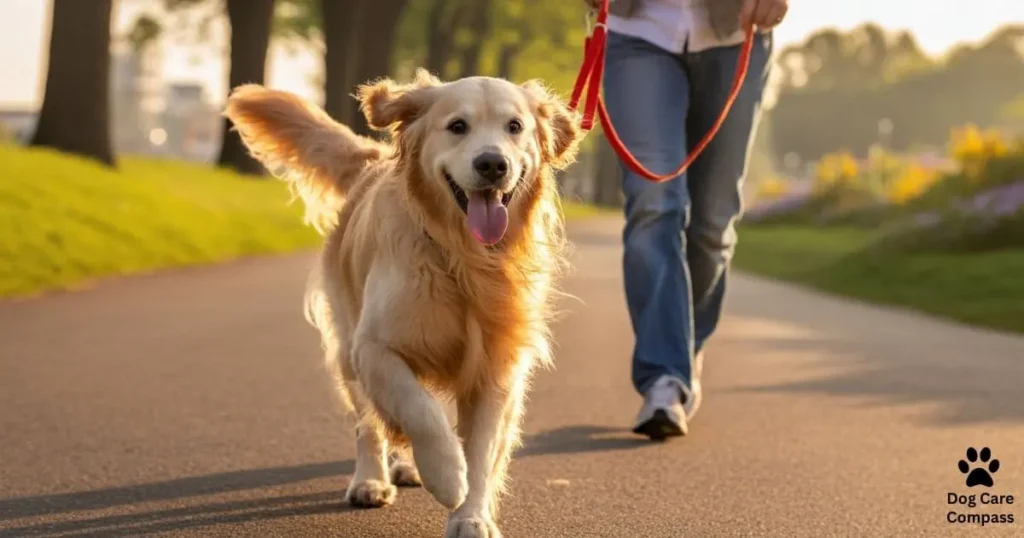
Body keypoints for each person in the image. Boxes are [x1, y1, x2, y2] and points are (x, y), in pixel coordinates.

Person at [585, 0, 788, 440]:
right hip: (638, 32)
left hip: (736, 33)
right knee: (654, 203)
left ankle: (684, 343)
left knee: (713, 222)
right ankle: (664, 379)